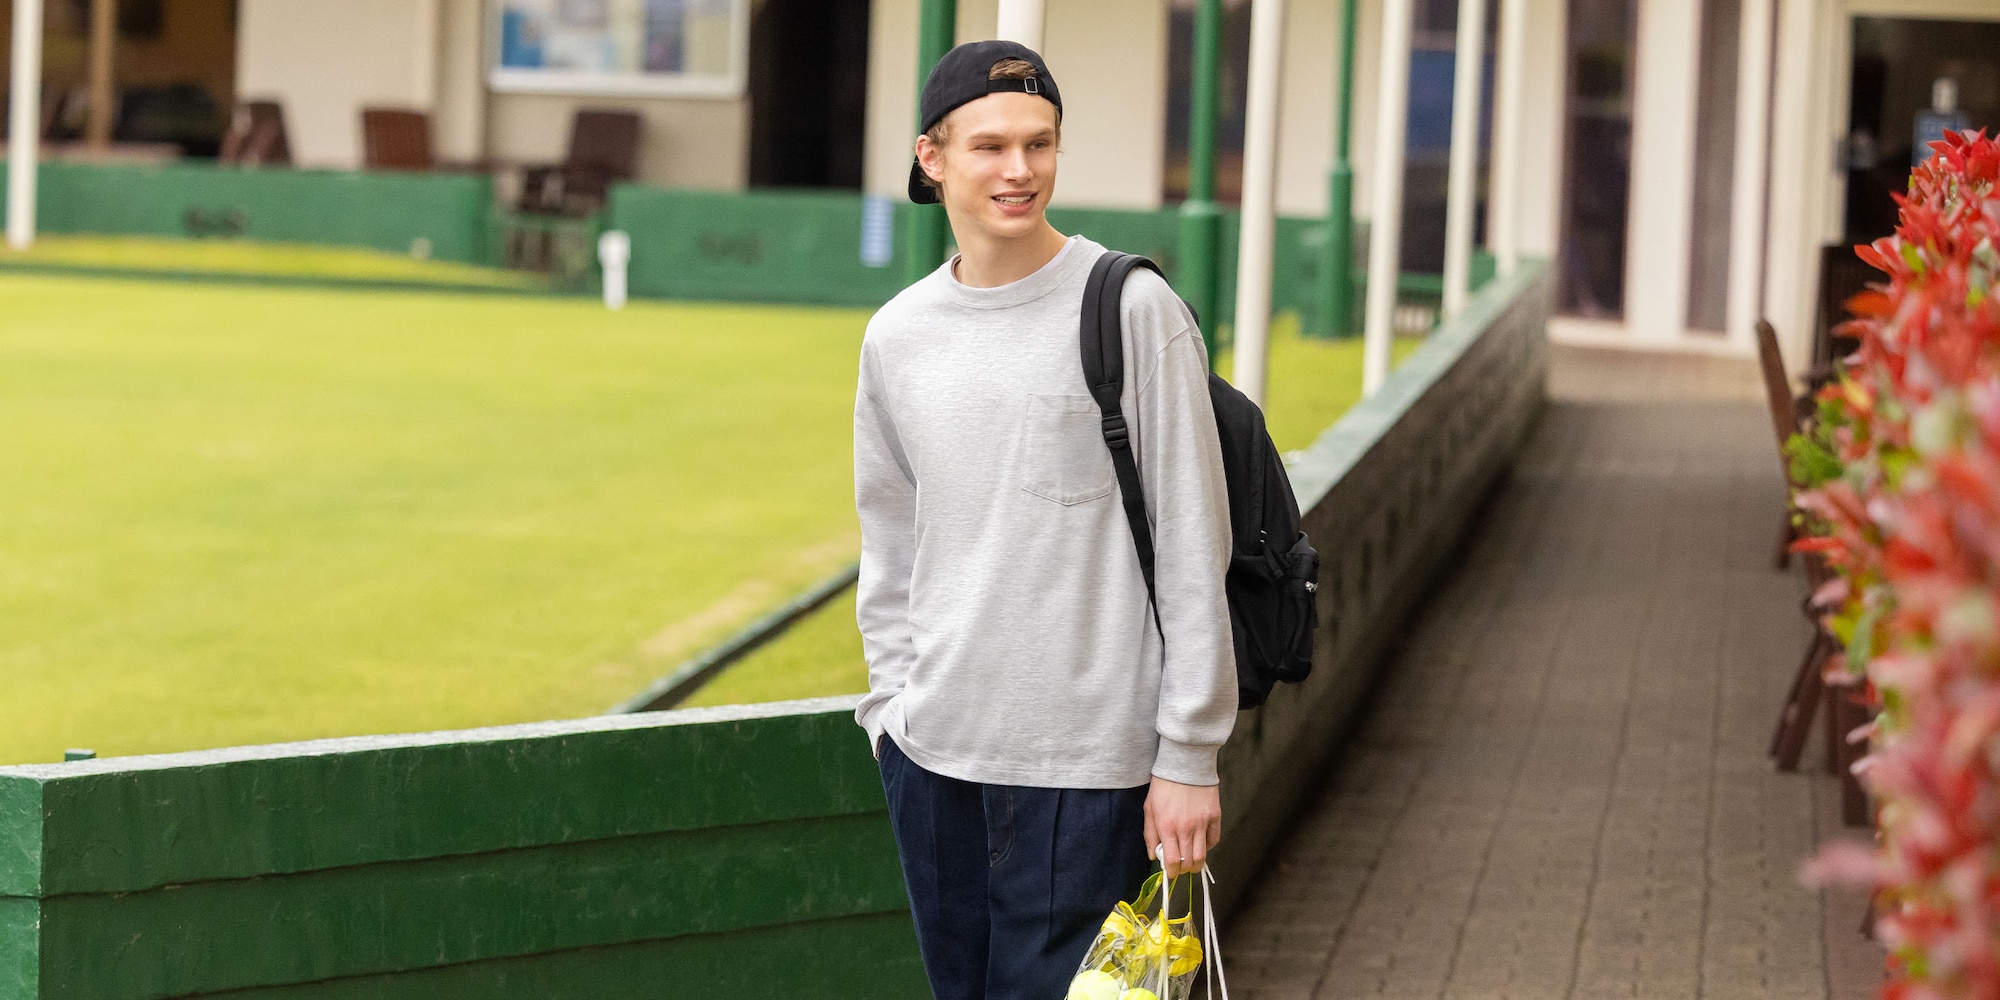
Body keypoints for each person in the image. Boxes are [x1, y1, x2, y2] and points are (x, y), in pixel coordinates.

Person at [851, 39, 1237, 998]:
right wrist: (890, 713)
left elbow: (1196, 543)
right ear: (931, 157)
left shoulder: (1132, 309)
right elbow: (890, 535)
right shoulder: (897, 336)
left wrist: (1188, 757)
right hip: (934, 758)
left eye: (1040, 143)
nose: (1018, 170)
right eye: (989, 147)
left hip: (1091, 772)